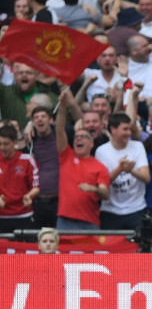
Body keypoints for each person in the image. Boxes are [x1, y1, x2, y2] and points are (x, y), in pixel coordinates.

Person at [55, 90, 110, 230]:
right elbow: (59, 129)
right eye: (76, 137)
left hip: (89, 221)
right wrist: (62, 107)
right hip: (64, 221)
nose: (78, 138)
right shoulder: (66, 156)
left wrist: (93, 188)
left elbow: (105, 194)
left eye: (83, 137)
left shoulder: (100, 167)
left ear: (91, 144)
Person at [95, 113, 151, 229]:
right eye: (125, 129)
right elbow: (102, 183)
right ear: (113, 129)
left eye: (129, 129)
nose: (129, 133)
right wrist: (119, 169)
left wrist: (131, 171)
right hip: (110, 211)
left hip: (137, 209)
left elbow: (146, 178)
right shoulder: (101, 151)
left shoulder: (138, 146)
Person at [0, 125, 39, 232]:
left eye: (6, 144)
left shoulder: (27, 160)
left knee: (25, 248)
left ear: (15, 143)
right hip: (1, 216)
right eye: (0, 144)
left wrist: (29, 196)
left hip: (24, 215)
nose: (2, 147)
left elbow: (36, 186)